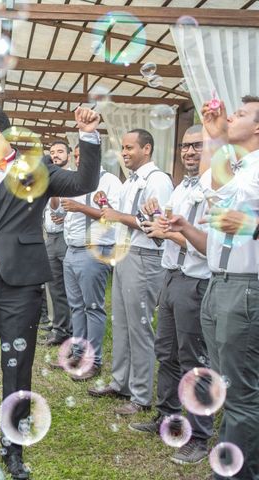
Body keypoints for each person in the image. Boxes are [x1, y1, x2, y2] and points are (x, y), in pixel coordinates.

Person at [0, 104, 101, 479]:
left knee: (18, 369)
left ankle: (13, 448)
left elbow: (84, 182)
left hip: (23, 286)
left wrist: (88, 135)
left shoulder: (38, 168)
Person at [172, 96, 259, 479]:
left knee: (242, 392)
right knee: (228, 384)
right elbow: (220, 205)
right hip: (219, 283)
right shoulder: (241, 168)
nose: (230, 116)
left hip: (245, 288)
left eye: (240, 114)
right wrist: (218, 139)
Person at [128, 125, 213, 465]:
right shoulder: (180, 187)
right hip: (171, 275)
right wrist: (155, 220)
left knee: (194, 361)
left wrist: (170, 232)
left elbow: (210, 247)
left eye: (197, 146)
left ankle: (200, 435)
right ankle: (166, 416)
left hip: (195, 282)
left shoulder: (215, 189)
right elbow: (168, 233)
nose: (189, 152)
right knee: (167, 352)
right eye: (184, 146)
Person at [88, 129, 174, 415]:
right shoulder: (130, 182)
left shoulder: (157, 180)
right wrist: (106, 206)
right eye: (122, 149)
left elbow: (156, 226)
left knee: (139, 327)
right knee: (122, 322)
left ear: (146, 149)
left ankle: (140, 396)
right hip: (125, 254)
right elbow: (122, 218)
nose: (124, 153)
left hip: (145, 258)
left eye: (129, 148)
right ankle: (120, 382)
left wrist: (117, 216)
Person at [57, 147, 122, 380]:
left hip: (93, 251)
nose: (77, 159)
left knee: (93, 307)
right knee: (76, 305)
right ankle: (77, 353)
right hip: (71, 250)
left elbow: (114, 215)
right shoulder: (73, 182)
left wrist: (81, 207)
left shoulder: (110, 181)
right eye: (75, 156)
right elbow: (67, 214)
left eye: (81, 156)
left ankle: (93, 361)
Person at [42, 141, 73, 346]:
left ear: (69, 155)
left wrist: (68, 216)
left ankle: (74, 330)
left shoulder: (74, 179)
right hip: (49, 237)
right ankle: (60, 329)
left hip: (67, 238)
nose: (56, 155)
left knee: (72, 288)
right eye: (52, 152)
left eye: (60, 151)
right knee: (54, 287)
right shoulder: (47, 179)